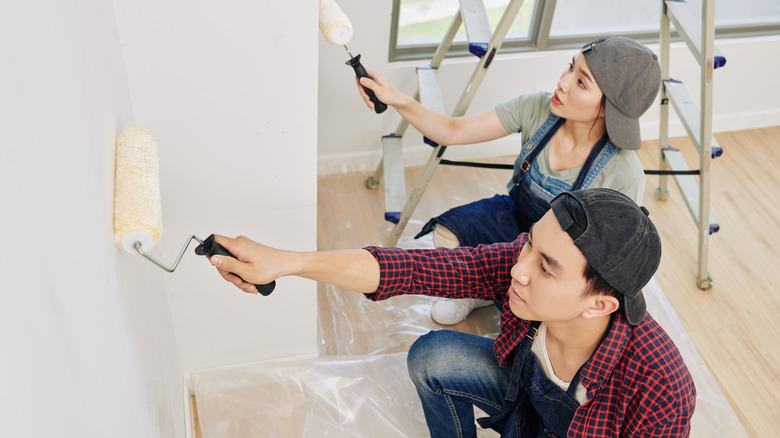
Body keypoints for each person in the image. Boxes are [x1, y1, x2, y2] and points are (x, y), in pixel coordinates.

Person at [204, 188, 696, 437]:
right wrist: (287, 263)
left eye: (545, 267)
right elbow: (410, 268)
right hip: (524, 400)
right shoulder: (517, 268)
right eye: (528, 246)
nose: (518, 271)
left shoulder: (659, 385)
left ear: (601, 304)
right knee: (433, 357)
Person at [356, 36, 662, 325]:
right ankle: (477, 292)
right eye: (571, 67)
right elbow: (452, 131)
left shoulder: (623, 173)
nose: (563, 82)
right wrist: (395, 99)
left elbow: (608, 260)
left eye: (581, 82)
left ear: (609, 108)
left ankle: (504, 290)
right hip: (515, 216)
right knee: (447, 235)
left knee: (528, 313)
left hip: (554, 255)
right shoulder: (537, 108)